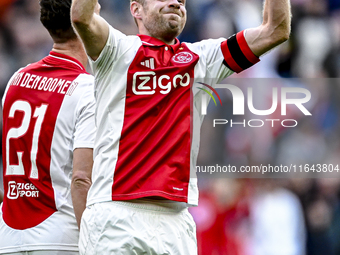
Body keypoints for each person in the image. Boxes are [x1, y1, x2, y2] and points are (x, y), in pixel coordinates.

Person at [71, 0, 291, 254]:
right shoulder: (115, 49)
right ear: (136, 9)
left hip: (176, 220)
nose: (176, 2)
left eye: (182, 1)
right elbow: (81, 17)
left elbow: (276, 30)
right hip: (116, 213)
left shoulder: (203, 58)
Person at [0, 0, 96, 254]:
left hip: (8, 238)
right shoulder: (87, 90)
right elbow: (81, 179)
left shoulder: (16, 80)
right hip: (61, 240)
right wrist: (93, 244)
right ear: (85, 24)